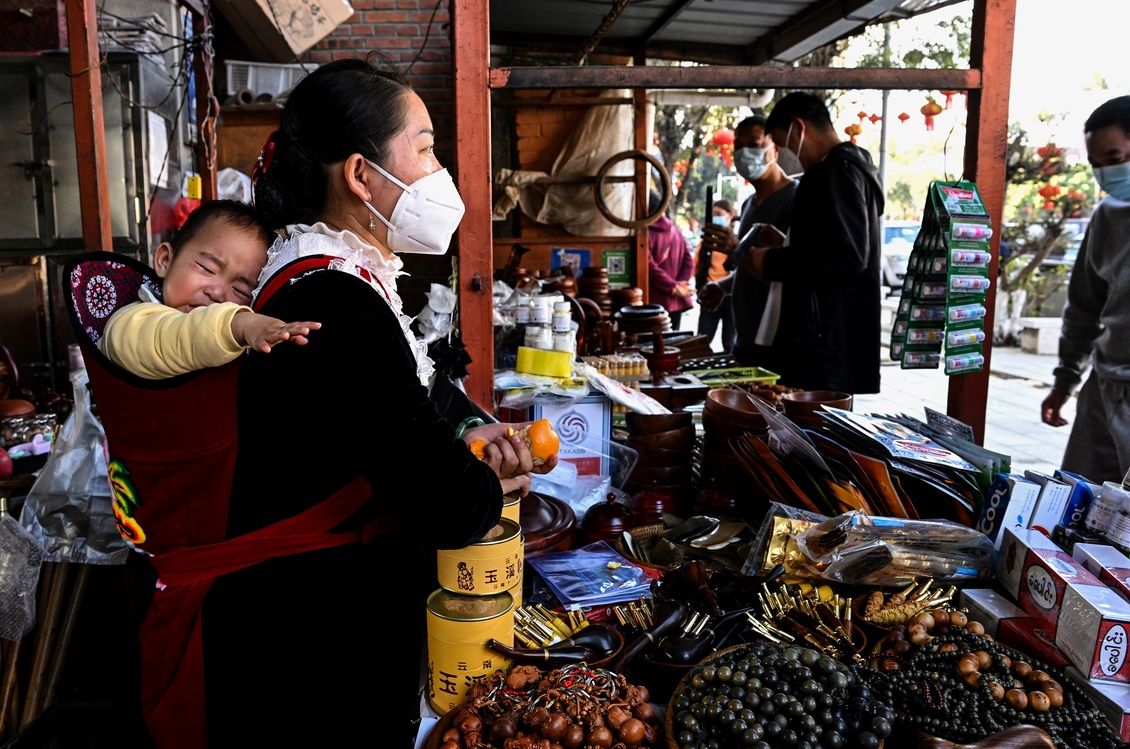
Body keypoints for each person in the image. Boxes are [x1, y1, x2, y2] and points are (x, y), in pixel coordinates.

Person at [175, 58, 551, 747]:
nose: (439, 171)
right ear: (359, 174)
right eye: (426, 146)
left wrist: (470, 424)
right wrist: (484, 478)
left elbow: (401, 401)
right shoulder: (334, 299)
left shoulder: (318, 272)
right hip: (316, 641)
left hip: (296, 612)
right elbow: (447, 503)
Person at [742, 93, 884, 394]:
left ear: (799, 128)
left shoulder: (833, 172)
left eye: (783, 141)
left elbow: (848, 257)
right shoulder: (855, 168)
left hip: (825, 342)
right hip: (835, 341)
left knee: (810, 433)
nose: (786, 152)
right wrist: (785, 244)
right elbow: (833, 244)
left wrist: (771, 262)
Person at [98, 199, 320, 380]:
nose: (217, 293)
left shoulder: (241, 342)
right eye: (206, 268)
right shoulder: (131, 322)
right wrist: (238, 323)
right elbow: (174, 337)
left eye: (240, 290)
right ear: (165, 260)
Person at [1040, 95, 1130, 484]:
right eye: (1097, 165)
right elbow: (1083, 309)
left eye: (1115, 158)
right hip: (1104, 389)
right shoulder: (1107, 217)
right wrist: (1065, 382)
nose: (1106, 173)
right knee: (1083, 507)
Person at [698, 115, 798, 372]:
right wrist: (723, 285)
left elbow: (785, 272)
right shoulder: (748, 205)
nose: (744, 153)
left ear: (774, 148)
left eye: (753, 144)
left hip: (777, 342)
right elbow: (749, 268)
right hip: (745, 339)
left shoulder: (795, 200)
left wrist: (735, 248)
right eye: (738, 146)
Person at [645, 188, 695, 328]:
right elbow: (688, 260)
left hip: (653, 301)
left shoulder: (645, 233)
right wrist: (680, 284)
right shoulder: (674, 229)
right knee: (674, 343)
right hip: (675, 301)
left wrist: (673, 286)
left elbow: (648, 265)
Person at [694, 199, 737, 349]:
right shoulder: (707, 243)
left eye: (719, 214)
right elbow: (697, 266)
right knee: (703, 339)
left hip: (731, 297)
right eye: (713, 215)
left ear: (731, 215)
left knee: (730, 341)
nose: (715, 218)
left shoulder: (736, 241)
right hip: (710, 293)